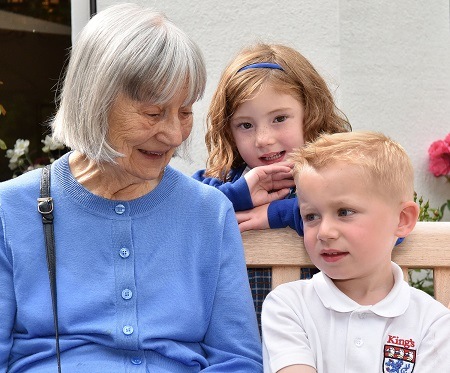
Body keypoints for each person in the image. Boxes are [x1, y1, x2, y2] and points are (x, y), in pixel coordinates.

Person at [0, 3, 262, 372]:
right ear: (94, 102)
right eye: (153, 113)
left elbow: (237, 360)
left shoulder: (207, 212)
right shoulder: (10, 210)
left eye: (185, 112)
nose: (173, 134)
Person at [261, 131, 450, 373]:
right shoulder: (288, 306)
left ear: (402, 219)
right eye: (311, 216)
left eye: (344, 212)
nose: (325, 232)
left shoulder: (432, 323)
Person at [192, 43, 351, 329]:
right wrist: (237, 195)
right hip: (242, 345)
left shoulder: (339, 179)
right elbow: (181, 213)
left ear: (310, 113)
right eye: (245, 125)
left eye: (279, 119)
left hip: (318, 341)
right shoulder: (223, 181)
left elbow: (382, 228)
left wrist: (283, 213)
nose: (263, 139)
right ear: (228, 129)